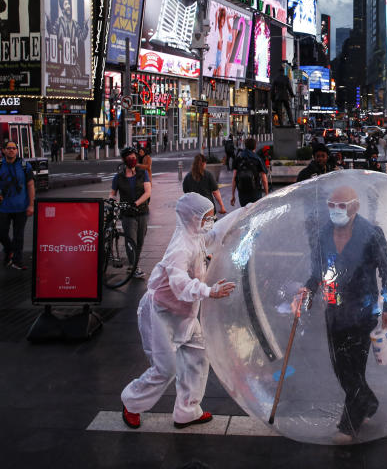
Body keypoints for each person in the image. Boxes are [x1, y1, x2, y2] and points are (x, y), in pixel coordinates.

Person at [121, 193, 240, 429]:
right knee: (165, 369)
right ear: (192, 218)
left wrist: (245, 211)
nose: (210, 220)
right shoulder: (180, 248)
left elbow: (215, 233)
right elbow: (179, 285)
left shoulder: (195, 236)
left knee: (198, 354)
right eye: (206, 217)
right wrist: (209, 291)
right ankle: (132, 403)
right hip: (160, 314)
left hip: (183, 314)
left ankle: (187, 410)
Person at [291, 185, 387, 443]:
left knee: (354, 369)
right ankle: (368, 402)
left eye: (341, 205)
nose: (335, 211)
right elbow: (318, 272)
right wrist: (308, 291)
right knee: (341, 368)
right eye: (331, 205)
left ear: (355, 206)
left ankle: (348, 426)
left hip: (363, 310)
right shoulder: (323, 234)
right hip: (335, 310)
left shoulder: (371, 234)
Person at [0, 140, 35, 270]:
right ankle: (10, 250)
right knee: (1, 232)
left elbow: (30, 185)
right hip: (3, 207)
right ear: (3, 150)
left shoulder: (25, 166)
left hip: (21, 207)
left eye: (14, 148)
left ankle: (17, 260)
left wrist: (31, 204)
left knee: (18, 235)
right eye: (8, 148)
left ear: (17, 150)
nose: (11, 150)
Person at [110, 147, 151, 279]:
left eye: (134, 157)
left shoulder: (142, 173)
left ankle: (134, 266)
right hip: (127, 213)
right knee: (130, 240)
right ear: (124, 160)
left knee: (140, 241)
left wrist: (137, 203)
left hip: (142, 211)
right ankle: (134, 266)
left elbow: (148, 192)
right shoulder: (118, 177)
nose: (132, 160)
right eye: (129, 158)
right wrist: (111, 202)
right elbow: (113, 194)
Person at [232, 138, 269, 204]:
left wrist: (233, 195)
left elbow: (234, 178)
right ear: (255, 146)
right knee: (255, 212)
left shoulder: (239, 158)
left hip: (242, 192)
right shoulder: (258, 159)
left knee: (245, 212)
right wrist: (266, 194)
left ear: (245, 146)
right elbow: (264, 179)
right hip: (255, 192)